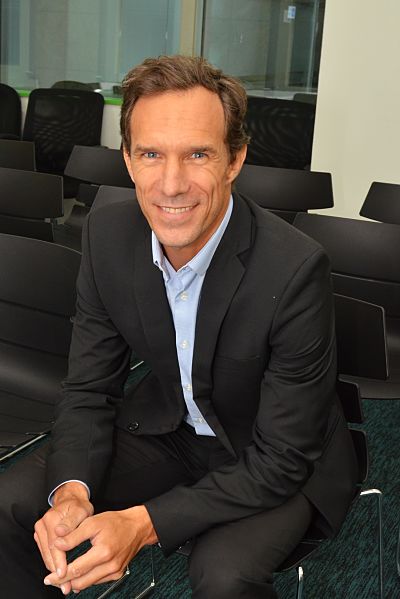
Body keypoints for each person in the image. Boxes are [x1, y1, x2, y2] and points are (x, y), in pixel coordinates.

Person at [0, 55, 357, 599]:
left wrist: (144, 523)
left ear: (235, 159)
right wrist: (71, 492)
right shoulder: (107, 234)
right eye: (151, 154)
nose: (171, 185)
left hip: (273, 452)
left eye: (197, 154)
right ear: (127, 159)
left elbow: (283, 457)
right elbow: (89, 387)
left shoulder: (295, 268)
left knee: (223, 575)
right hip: (170, 427)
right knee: (14, 505)